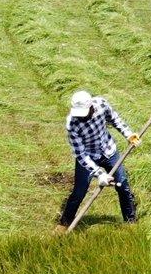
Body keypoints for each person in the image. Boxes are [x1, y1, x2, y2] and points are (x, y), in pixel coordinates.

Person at [55, 90, 139, 232]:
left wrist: (129, 134)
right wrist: (100, 174)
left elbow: (115, 119)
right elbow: (81, 155)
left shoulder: (101, 104)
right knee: (79, 192)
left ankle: (131, 222)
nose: (80, 117)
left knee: (123, 185)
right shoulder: (72, 124)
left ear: (90, 107)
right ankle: (64, 224)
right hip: (88, 157)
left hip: (109, 150)